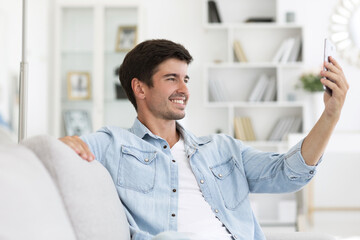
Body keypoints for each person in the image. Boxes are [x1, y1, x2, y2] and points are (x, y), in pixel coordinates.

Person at [60, 39, 349, 240]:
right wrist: (64, 145)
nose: (183, 89)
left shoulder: (222, 148)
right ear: (140, 88)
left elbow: (288, 174)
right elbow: (51, 154)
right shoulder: (114, 144)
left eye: (186, 79)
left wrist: (330, 115)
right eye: (172, 78)